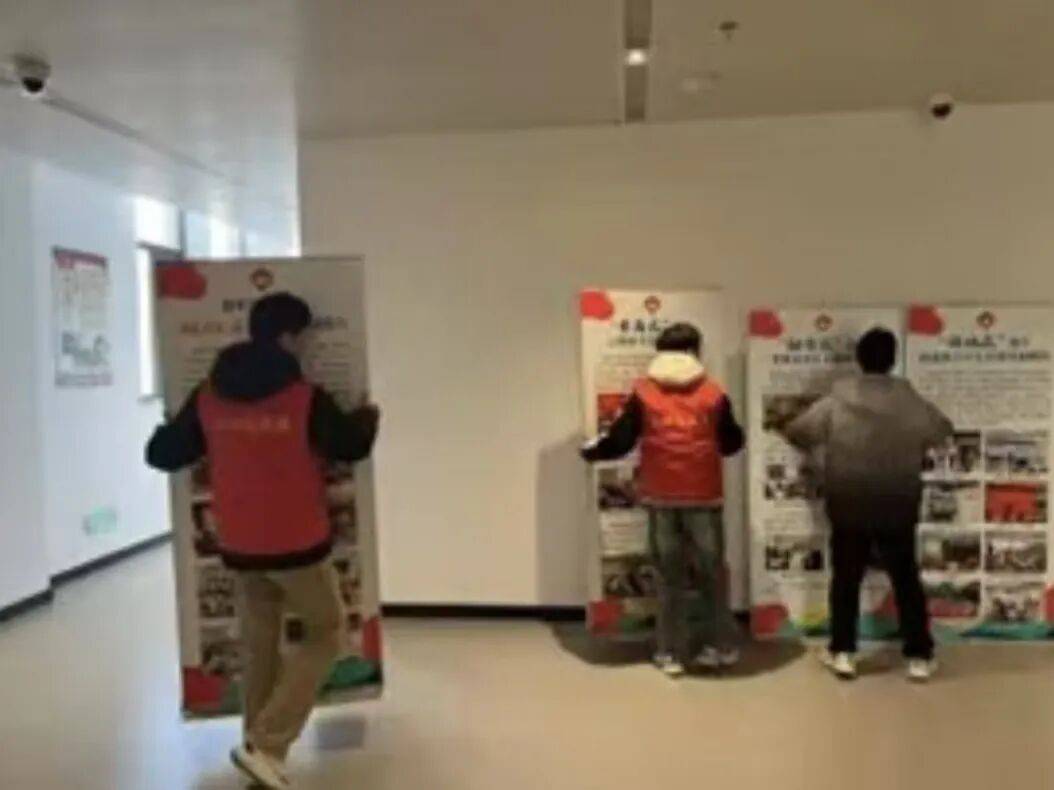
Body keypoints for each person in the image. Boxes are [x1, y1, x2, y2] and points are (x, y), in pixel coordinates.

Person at [146, 293, 380, 790]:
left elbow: (163, 454)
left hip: (239, 545)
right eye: (303, 337)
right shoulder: (304, 397)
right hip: (296, 541)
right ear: (288, 338)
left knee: (260, 647)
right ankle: (268, 745)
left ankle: (259, 757)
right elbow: (351, 445)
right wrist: (368, 417)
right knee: (327, 632)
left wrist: (172, 425)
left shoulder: (208, 395)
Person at [783, 327, 952, 683]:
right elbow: (942, 430)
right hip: (898, 500)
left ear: (859, 360)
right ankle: (919, 656)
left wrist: (827, 453)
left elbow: (798, 431)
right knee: (905, 579)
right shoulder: (911, 401)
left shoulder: (837, 399)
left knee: (846, 578)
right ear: (893, 360)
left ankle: (843, 652)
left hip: (848, 499)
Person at [581, 323, 745, 678]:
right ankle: (721, 646)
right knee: (711, 574)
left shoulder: (644, 393)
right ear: (695, 351)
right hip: (704, 495)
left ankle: (669, 652)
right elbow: (732, 443)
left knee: (669, 578)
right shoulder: (714, 393)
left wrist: (591, 452)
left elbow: (621, 440)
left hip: (661, 496)